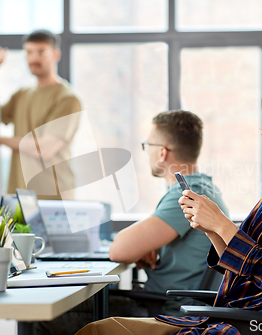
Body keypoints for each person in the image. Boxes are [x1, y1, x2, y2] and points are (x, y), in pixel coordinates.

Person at [75, 73, 262, 335]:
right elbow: (238, 266)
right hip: (229, 316)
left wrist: (222, 223)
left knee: (98, 329)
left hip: (249, 325)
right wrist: (210, 228)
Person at [38, 110, 228, 334]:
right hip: (172, 304)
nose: (145, 152)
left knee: (47, 317)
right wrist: (148, 246)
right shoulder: (203, 188)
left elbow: (119, 251)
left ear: (162, 152)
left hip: (167, 311)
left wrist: (136, 246)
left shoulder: (187, 193)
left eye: (147, 146)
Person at [0, 29, 82, 199]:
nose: (33, 58)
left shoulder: (68, 99)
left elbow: (45, 149)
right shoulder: (22, 95)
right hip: (19, 197)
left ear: (56, 55)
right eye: (29, 52)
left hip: (53, 201)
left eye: (40, 52)